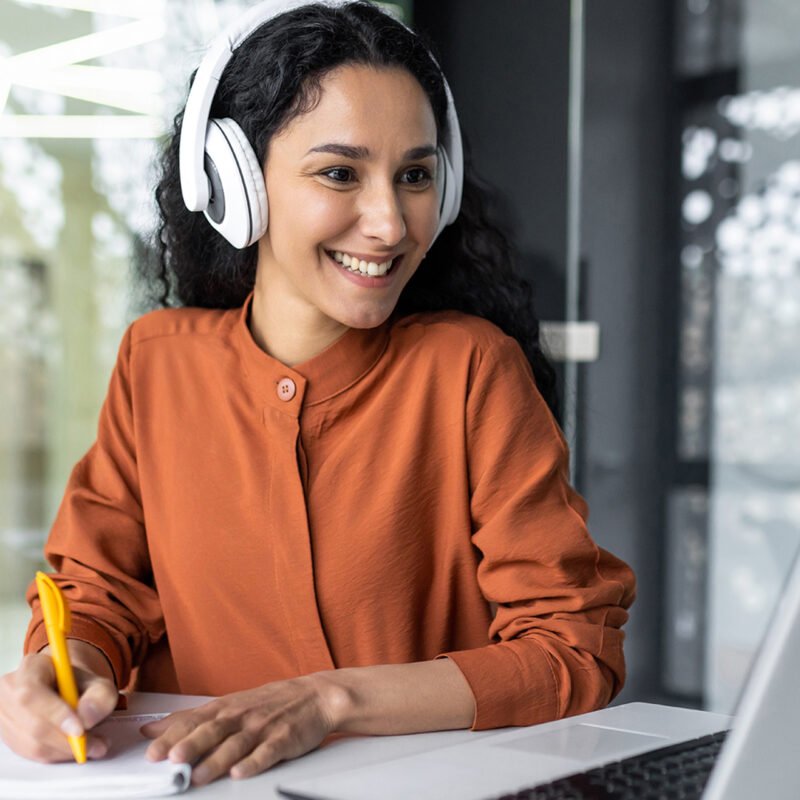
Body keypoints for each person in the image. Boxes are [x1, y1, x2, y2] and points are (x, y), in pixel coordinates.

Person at [0, 0, 636, 788]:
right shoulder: (154, 365)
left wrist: (329, 701)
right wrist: (61, 673)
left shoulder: (470, 371)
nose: (390, 223)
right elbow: (97, 593)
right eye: (339, 172)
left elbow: (571, 648)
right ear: (234, 184)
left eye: (414, 176)